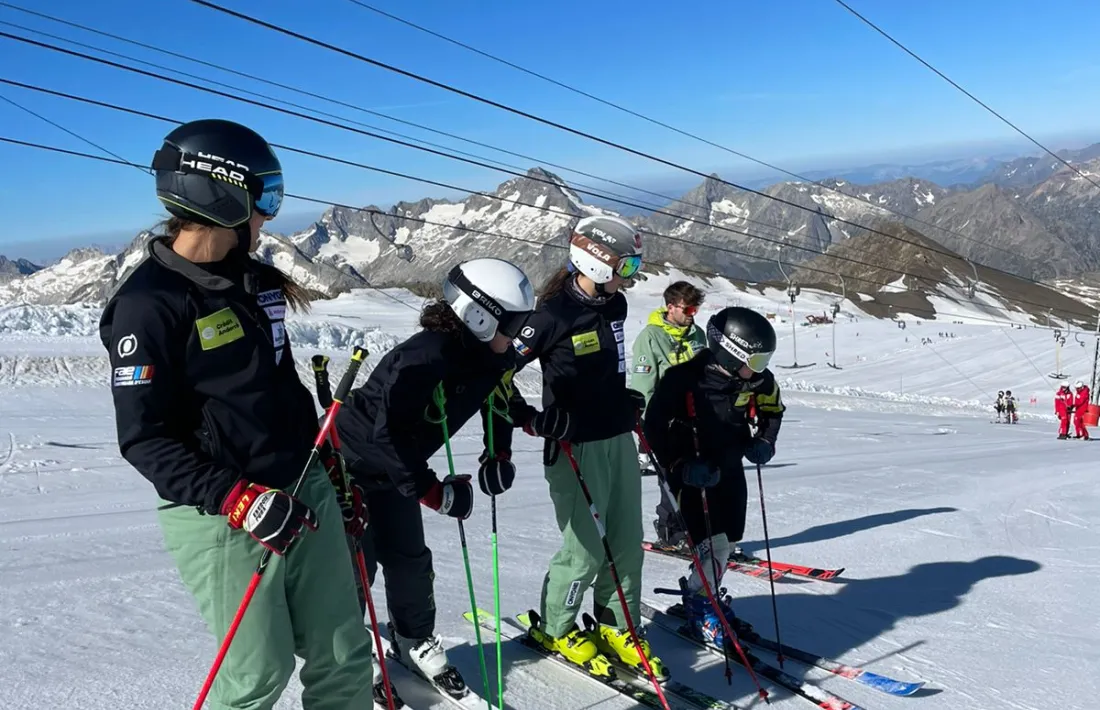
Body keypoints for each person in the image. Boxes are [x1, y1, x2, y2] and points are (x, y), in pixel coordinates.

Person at [99, 118, 374, 709]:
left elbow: (278, 387)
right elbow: (144, 440)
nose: (269, 216)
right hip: (221, 511)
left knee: (345, 655)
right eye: (264, 197)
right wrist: (236, 498)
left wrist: (327, 465)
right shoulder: (148, 306)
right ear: (219, 194)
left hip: (302, 486)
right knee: (256, 676)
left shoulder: (255, 282)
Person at [332, 257, 538, 698]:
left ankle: (413, 640)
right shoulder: (426, 357)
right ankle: (351, 652)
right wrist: (432, 492)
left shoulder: (490, 357)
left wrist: (498, 452)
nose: (520, 334)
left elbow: (500, 399)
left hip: (396, 472)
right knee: (354, 566)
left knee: (410, 559)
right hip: (348, 464)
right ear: (479, 316)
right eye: (514, 324)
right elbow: (385, 434)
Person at [508, 214, 667, 680]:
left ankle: (617, 624)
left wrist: (624, 399)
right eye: (626, 265)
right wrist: (530, 419)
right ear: (596, 262)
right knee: (584, 550)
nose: (630, 276)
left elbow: (607, 367)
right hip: (575, 447)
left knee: (626, 544)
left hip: (617, 437)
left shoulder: (614, 305)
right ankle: (556, 627)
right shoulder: (550, 315)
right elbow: (494, 376)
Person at [642, 306, 785, 647]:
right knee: (712, 542)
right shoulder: (683, 379)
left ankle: (702, 592)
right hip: (691, 473)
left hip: (730, 467)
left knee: (730, 539)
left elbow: (773, 409)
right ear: (731, 353)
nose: (760, 369)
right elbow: (652, 428)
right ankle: (700, 604)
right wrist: (679, 464)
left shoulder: (758, 380)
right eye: (756, 360)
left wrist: (765, 440)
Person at [630, 281, 707, 551]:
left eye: (696, 309)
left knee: (701, 479)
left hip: (696, 420)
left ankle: (700, 530)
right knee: (673, 480)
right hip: (667, 421)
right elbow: (643, 385)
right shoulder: (651, 337)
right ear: (671, 307)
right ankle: (671, 531)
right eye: (688, 309)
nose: (692, 314)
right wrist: (647, 423)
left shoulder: (697, 334)